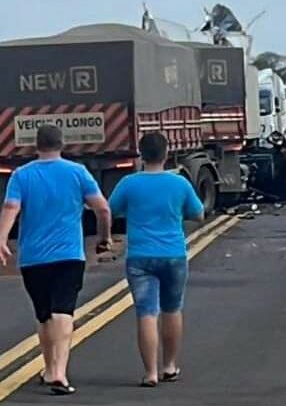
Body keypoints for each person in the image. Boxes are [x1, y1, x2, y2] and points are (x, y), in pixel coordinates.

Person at [0, 125, 112, 395]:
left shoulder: (21, 175)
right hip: (69, 254)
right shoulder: (77, 172)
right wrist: (103, 238)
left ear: (36, 145)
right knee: (63, 311)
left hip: (33, 258)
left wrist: (1, 240)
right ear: (62, 144)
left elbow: (11, 207)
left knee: (44, 314)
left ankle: (49, 369)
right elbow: (102, 209)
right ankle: (58, 372)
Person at [109, 133, 204, 387]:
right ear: (166, 153)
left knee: (146, 313)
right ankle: (169, 366)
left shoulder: (129, 183)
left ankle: (150, 372)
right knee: (172, 309)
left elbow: (111, 210)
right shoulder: (180, 184)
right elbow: (199, 214)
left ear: (141, 153)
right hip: (173, 254)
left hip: (140, 256)